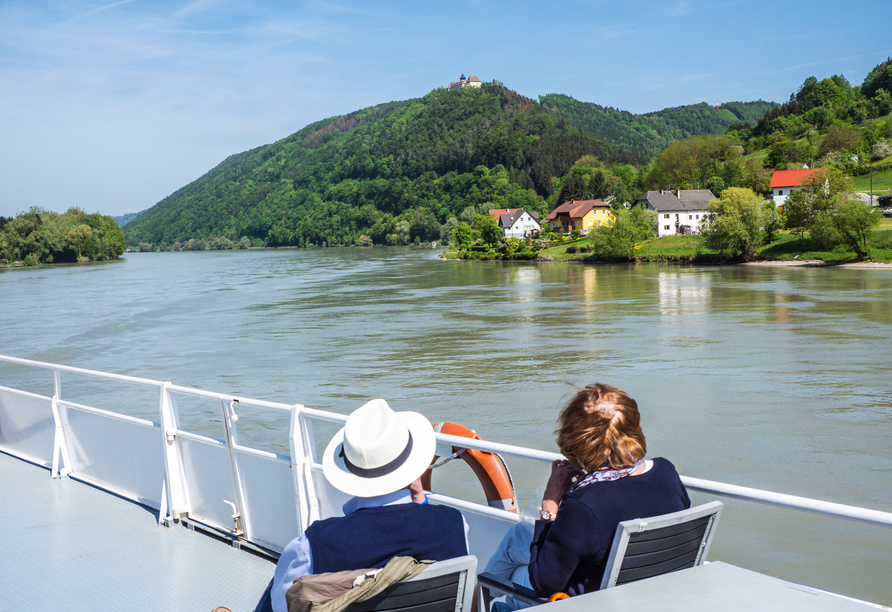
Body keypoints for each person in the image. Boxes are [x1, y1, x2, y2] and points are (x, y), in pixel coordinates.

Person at [254, 398, 469, 612]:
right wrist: (422, 505)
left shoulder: (310, 548)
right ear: (411, 470)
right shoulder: (455, 525)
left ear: (349, 473)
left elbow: (282, 607)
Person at [483, 383, 690, 601]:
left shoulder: (583, 507)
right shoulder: (667, 472)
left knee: (516, 573)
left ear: (576, 439)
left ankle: (479, 603)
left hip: (596, 602)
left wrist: (550, 506)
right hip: (653, 594)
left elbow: (544, 584)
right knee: (519, 535)